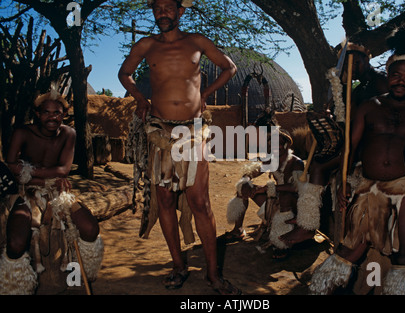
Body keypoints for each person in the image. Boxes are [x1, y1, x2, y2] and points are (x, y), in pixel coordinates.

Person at [118, 0, 240, 294]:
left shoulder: (196, 41)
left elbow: (229, 68)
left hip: (192, 132)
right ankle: (179, 266)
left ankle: (213, 274)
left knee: (200, 202)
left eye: (168, 7)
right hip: (159, 131)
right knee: (165, 202)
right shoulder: (146, 45)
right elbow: (125, 73)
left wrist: (204, 94)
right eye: (157, 7)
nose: (162, 12)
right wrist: (140, 99)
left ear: (180, 12)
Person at [309, 32, 405, 295]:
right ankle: (326, 290)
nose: (401, 81)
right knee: (350, 247)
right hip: (369, 186)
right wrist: (344, 181)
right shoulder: (370, 107)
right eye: (396, 75)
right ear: (388, 75)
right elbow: (350, 148)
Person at [280, 43, 389, 247]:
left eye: (357, 62)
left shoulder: (381, 83)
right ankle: (307, 223)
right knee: (316, 165)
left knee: (320, 167)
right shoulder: (358, 90)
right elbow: (348, 121)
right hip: (355, 144)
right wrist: (330, 116)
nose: (353, 68)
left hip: (373, 148)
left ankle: (308, 226)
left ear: (367, 60)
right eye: (349, 65)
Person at [0, 88, 103, 295]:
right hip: (24, 191)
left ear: (63, 115)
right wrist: (40, 177)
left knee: (90, 228)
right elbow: (10, 166)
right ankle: (15, 287)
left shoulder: (69, 134)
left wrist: (29, 171)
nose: (52, 117)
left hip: (58, 192)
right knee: (16, 243)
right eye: (46, 112)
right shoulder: (23, 132)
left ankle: (80, 274)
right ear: (37, 114)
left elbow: (64, 169)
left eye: (57, 113)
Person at [225, 128, 307, 259]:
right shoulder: (271, 160)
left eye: (280, 143)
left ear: (286, 144)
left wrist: (268, 188)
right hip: (275, 200)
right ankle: (238, 230)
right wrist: (246, 180)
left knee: (285, 197)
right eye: (273, 144)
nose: (277, 147)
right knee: (243, 188)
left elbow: (296, 188)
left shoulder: (296, 163)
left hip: (292, 204)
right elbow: (252, 171)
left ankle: (281, 243)